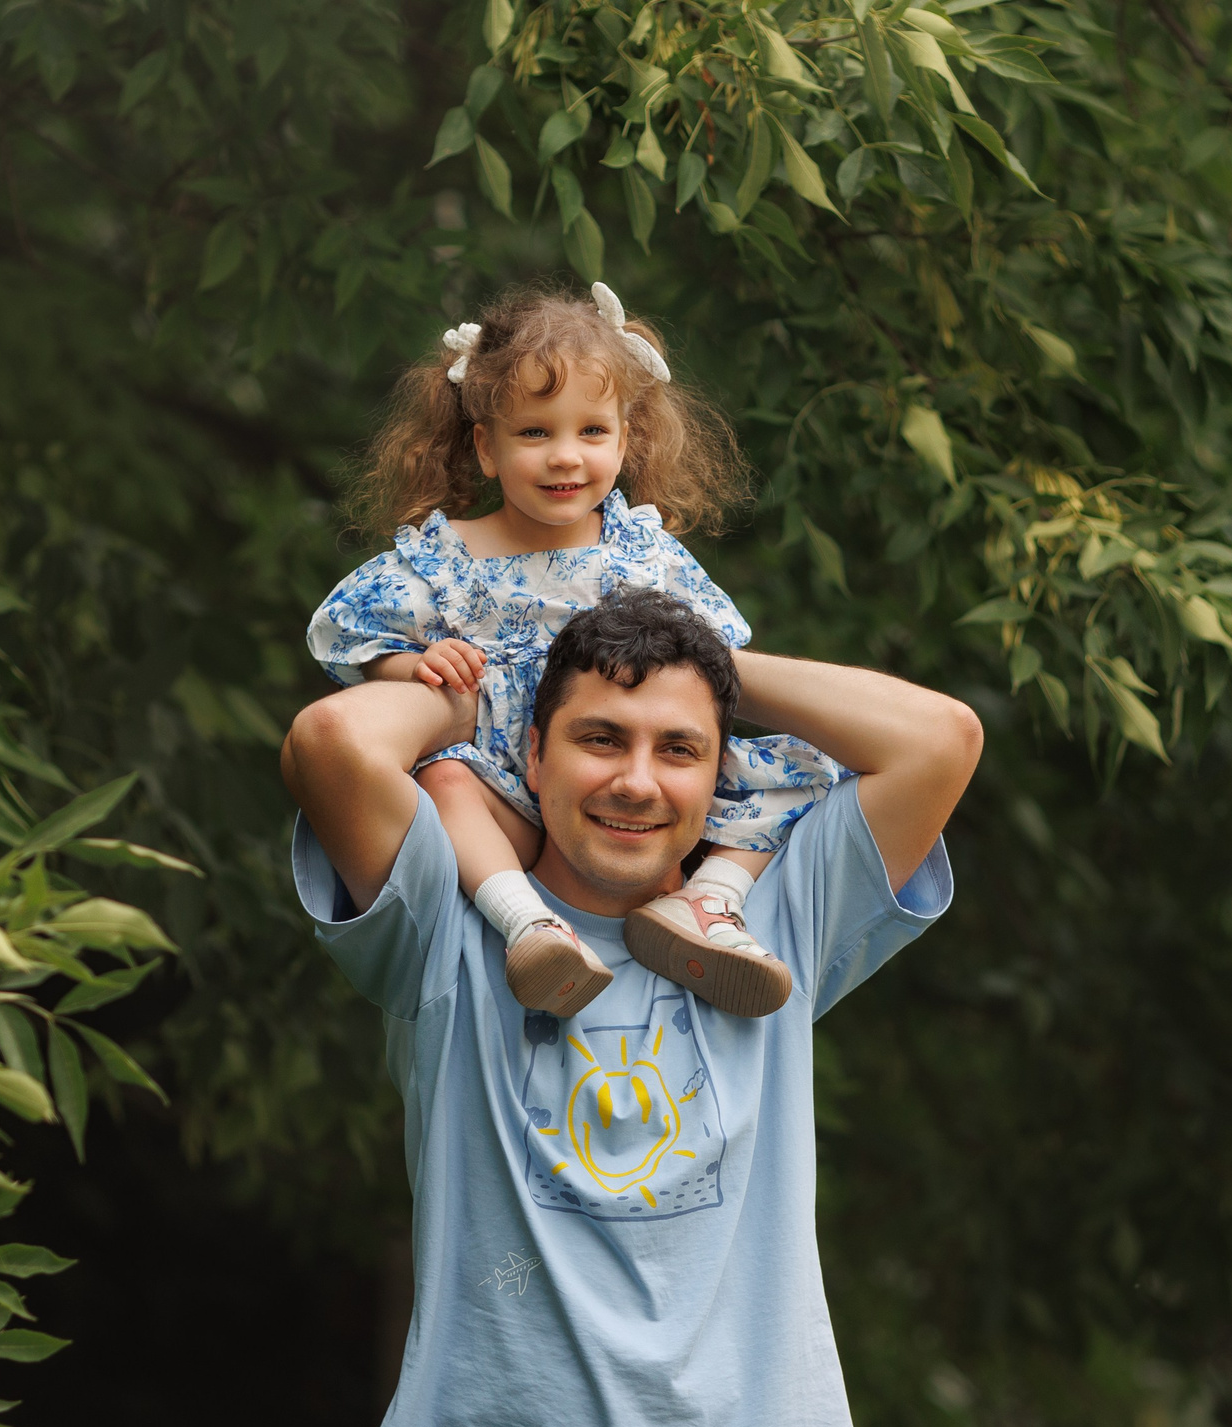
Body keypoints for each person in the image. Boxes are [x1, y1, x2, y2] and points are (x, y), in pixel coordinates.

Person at [282, 586, 983, 1427]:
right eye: (599, 736)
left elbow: (937, 737)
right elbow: (331, 740)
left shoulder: (771, 920)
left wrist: (708, 664)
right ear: (535, 750)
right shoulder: (447, 924)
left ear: (719, 777)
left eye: (680, 749)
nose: (636, 780)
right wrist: (482, 676)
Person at [308, 282, 843, 1020]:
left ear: (626, 440)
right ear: (485, 448)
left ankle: (710, 902)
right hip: (505, 789)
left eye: (592, 431)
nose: (566, 457)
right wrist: (410, 667)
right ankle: (529, 925)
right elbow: (347, 631)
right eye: (535, 433)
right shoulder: (447, 558)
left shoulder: (643, 554)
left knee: (800, 771)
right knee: (443, 780)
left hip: (623, 780)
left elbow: (716, 664)